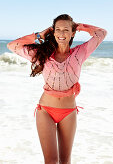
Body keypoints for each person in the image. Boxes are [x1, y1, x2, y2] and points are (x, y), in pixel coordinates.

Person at [7, 14, 107, 164]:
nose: (61, 33)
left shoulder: (80, 52)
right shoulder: (42, 55)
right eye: (58, 29)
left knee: (65, 161)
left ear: (72, 33)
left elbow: (101, 33)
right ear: (52, 32)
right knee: (51, 160)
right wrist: (38, 36)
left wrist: (79, 26)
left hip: (68, 112)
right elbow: (12, 45)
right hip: (46, 110)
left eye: (66, 30)